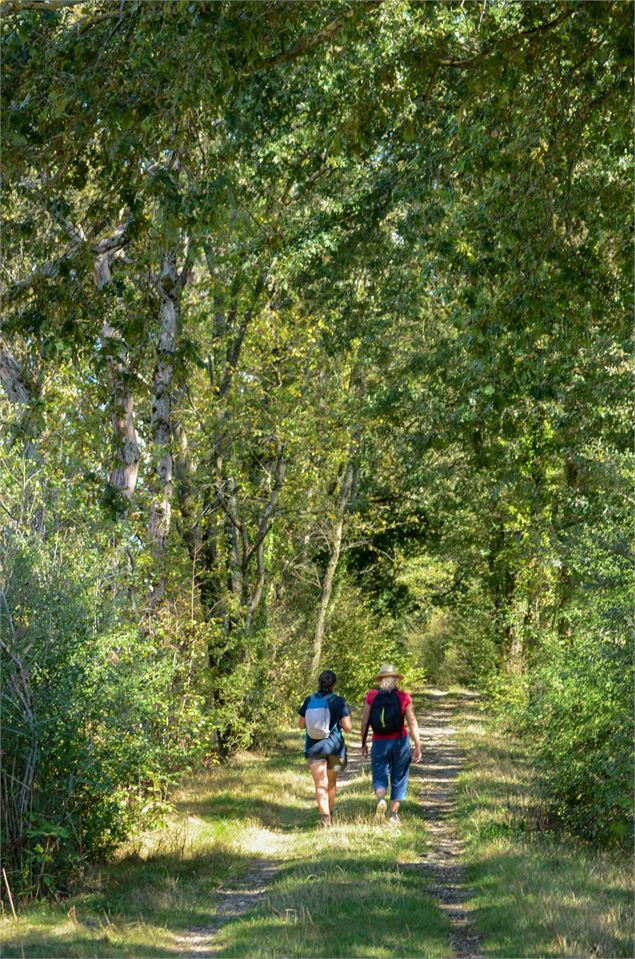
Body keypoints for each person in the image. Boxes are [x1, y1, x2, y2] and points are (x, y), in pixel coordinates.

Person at [360, 663, 422, 826]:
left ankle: (381, 799)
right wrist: (418, 745)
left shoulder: (372, 696)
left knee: (379, 773)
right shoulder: (403, 697)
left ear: (380, 680)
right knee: (399, 776)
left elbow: (365, 721)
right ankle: (393, 815)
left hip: (379, 742)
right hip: (400, 742)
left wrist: (363, 742)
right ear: (395, 679)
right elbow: (412, 722)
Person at [298, 669, 352, 827]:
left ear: (319, 683)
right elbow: (348, 727)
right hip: (335, 748)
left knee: (320, 783)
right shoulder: (339, 701)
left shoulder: (309, 700)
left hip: (314, 749)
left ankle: (325, 818)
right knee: (331, 783)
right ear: (334, 684)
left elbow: (301, 725)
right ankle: (331, 812)